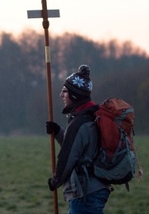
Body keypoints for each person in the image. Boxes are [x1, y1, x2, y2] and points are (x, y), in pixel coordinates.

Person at [46, 64, 111, 214]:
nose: (61, 95)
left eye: (65, 92)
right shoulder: (90, 116)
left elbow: (68, 156)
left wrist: (55, 181)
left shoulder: (80, 122)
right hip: (96, 189)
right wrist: (58, 132)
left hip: (86, 193)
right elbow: (80, 149)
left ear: (74, 95)